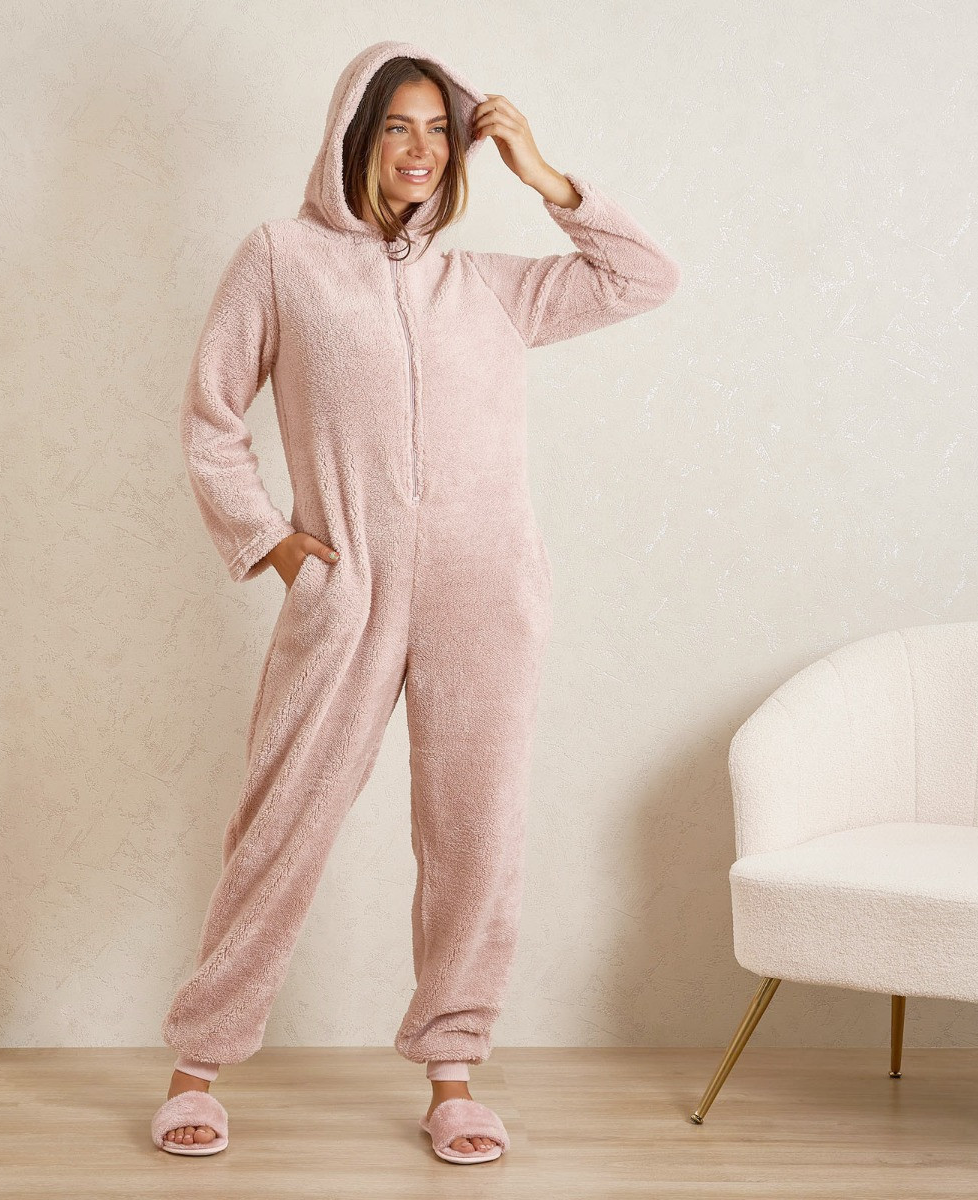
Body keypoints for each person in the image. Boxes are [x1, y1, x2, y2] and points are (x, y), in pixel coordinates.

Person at [150, 38, 681, 1163]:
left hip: (486, 592)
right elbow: (210, 419)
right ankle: (198, 1062)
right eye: (397, 126)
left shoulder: (488, 284)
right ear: (355, 137)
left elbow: (644, 277)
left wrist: (545, 175)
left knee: (474, 833)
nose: (420, 150)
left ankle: (453, 1075)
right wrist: (277, 548)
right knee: (283, 821)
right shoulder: (281, 259)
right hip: (345, 588)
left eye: (440, 130)